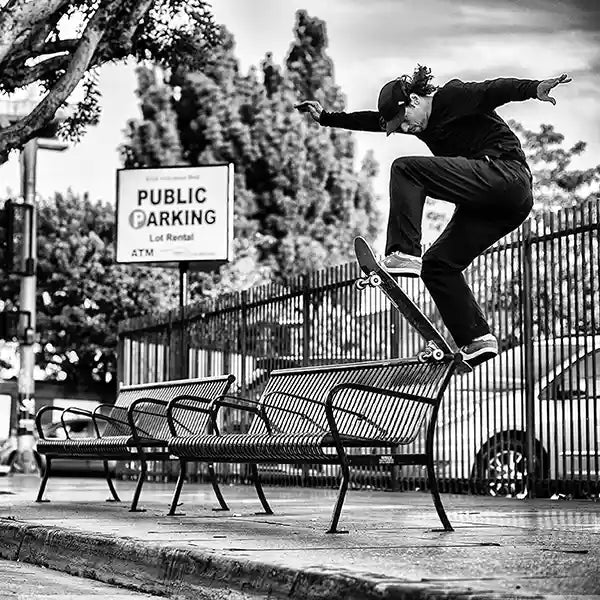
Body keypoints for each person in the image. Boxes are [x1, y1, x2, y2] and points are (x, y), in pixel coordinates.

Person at [295, 66, 571, 367]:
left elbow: (494, 89)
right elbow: (372, 120)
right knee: (438, 266)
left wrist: (534, 88)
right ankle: (476, 338)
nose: (406, 129)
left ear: (414, 100)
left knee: (405, 169)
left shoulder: (452, 96)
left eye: (404, 121)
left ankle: (404, 252)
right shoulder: (412, 118)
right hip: (495, 208)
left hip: (505, 176)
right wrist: (326, 118)